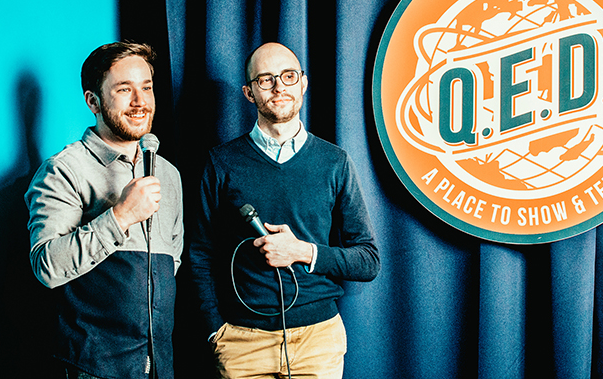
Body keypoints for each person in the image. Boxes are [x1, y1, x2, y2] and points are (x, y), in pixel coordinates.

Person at [190, 42, 380, 378]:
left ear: (303, 84)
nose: (279, 87)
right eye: (266, 79)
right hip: (241, 343)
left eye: (288, 76)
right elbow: (199, 254)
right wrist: (215, 331)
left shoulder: (334, 162)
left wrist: (302, 252)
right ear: (249, 93)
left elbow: (368, 261)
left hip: (318, 341)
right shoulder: (221, 163)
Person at [25, 42, 184, 379]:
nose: (140, 102)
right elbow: (47, 266)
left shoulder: (168, 174)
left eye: (147, 88)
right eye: (125, 90)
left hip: (159, 368)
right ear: (93, 101)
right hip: (92, 369)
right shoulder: (64, 170)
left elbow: (173, 260)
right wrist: (121, 216)